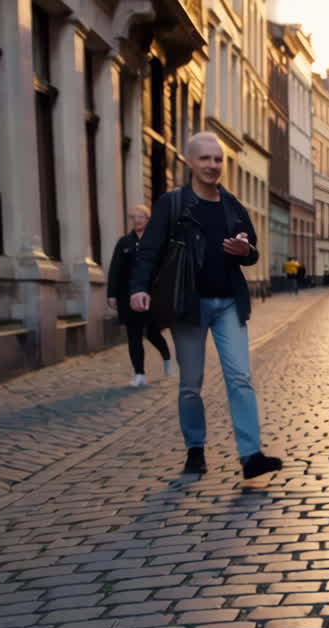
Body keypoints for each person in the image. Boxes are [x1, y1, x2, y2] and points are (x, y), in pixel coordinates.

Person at [129, 131, 284, 482]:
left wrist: (248, 251)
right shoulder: (172, 204)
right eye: (205, 159)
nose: (213, 165)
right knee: (191, 384)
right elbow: (149, 250)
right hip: (189, 305)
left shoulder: (231, 204)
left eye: (217, 160)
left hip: (229, 301)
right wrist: (138, 288)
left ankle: (251, 455)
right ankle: (195, 450)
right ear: (190, 162)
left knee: (240, 378)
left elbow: (251, 248)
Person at [107, 204, 173, 387]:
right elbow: (115, 269)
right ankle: (139, 373)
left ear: (147, 219)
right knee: (134, 335)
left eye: (140, 217)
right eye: (133, 217)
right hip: (127, 296)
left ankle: (166, 356)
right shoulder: (124, 243)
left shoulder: (156, 241)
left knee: (152, 333)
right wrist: (111, 294)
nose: (136, 220)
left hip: (152, 296)